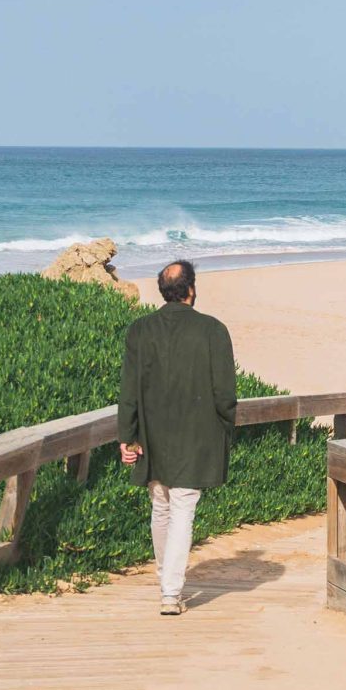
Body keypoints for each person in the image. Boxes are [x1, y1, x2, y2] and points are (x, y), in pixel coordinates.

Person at [118, 260, 237, 615]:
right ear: (191, 289)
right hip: (196, 433)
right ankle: (170, 592)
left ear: (163, 291)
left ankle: (166, 581)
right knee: (182, 507)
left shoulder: (139, 330)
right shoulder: (213, 330)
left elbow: (128, 389)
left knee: (161, 505)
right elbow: (225, 393)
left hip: (152, 433)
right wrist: (225, 426)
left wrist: (127, 435)